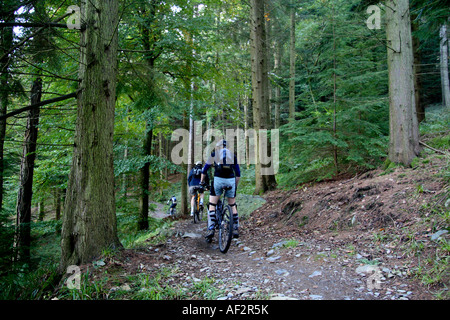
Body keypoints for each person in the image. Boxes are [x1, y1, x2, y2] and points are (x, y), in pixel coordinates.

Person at [200, 139, 240, 242]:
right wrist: (235, 185)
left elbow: (205, 169)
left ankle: (211, 228)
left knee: (212, 204)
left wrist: (201, 181)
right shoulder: (232, 155)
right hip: (230, 180)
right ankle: (235, 227)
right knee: (232, 204)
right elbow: (238, 173)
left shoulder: (214, 154)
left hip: (218, 180)